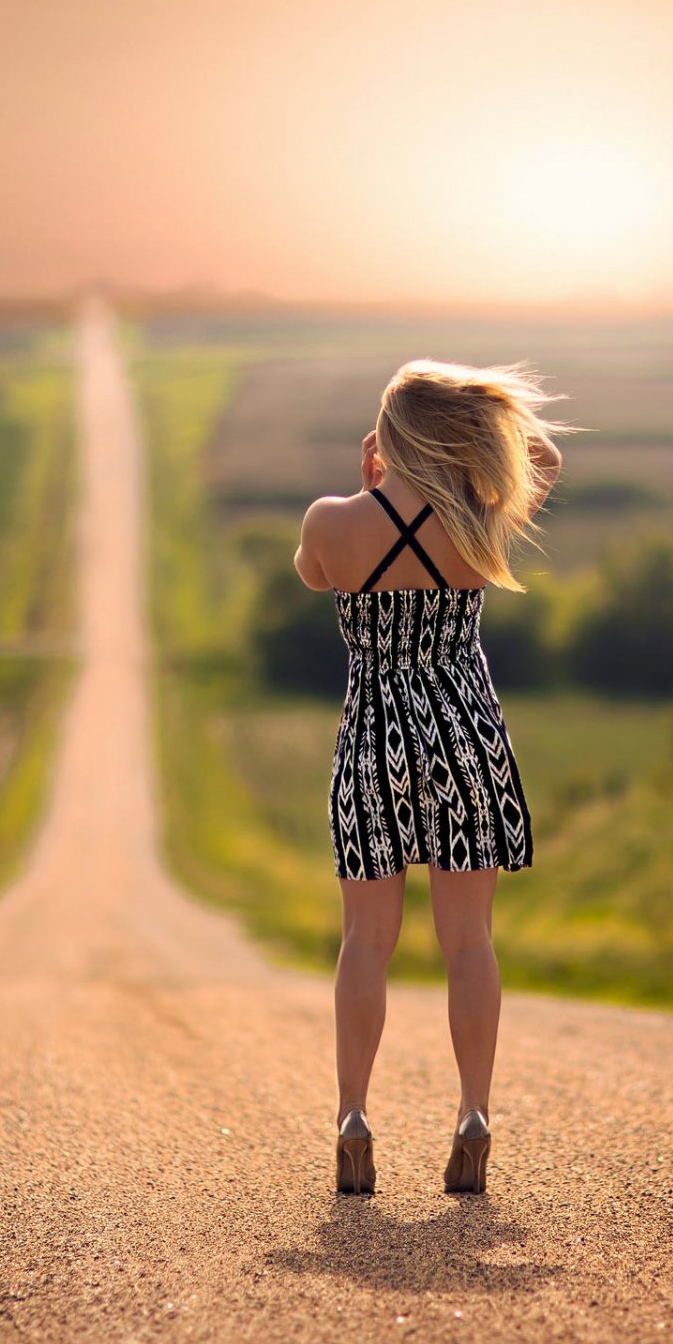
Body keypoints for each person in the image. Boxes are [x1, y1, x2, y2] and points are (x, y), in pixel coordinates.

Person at [293, 358, 572, 1196]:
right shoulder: (477, 521)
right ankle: (473, 1112)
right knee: (469, 941)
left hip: (375, 740)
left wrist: (371, 482)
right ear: (452, 436)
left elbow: (312, 574)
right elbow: (545, 462)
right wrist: (474, 458)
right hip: (464, 738)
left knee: (366, 941)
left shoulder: (331, 521)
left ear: (385, 443)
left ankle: (352, 1114)